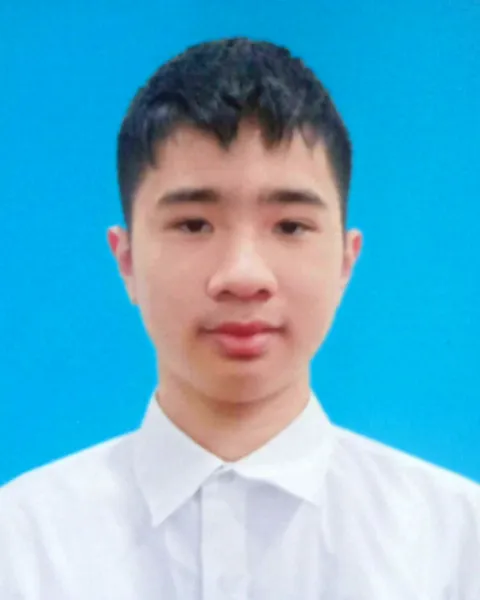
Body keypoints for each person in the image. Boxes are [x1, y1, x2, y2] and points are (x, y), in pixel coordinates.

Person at [0, 37, 478, 600]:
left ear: (346, 261)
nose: (243, 274)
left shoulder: (454, 546)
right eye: (194, 224)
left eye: (290, 226)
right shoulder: (22, 545)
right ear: (125, 259)